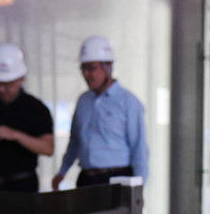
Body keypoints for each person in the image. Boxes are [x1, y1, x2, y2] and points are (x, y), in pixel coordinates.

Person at [52, 36, 148, 190]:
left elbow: (139, 149)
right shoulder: (83, 101)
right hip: (86, 180)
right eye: (83, 68)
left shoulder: (128, 102)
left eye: (91, 68)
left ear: (108, 66)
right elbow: (75, 141)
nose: (86, 74)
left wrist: (138, 190)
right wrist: (62, 171)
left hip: (117, 179)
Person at [0, 43, 54, 193]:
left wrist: (15, 135)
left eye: (8, 84)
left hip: (22, 186)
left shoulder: (36, 108)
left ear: (21, 78)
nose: (2, 89)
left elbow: (48, 148)